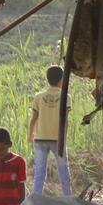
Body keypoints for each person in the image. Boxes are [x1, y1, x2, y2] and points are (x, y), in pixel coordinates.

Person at [28, 66, 71, 197]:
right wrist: (64, 137)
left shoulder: (38, 97)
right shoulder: (65, 96)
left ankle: (36, 198)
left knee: (40, 172)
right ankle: (67, 198)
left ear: (47, 79)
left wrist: (30, 134)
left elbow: (34, 118)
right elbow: (65, 120)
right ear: (62, 79)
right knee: (63, 170)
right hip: (58, 139)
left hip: (40, 138)